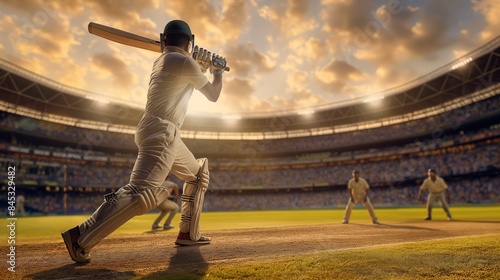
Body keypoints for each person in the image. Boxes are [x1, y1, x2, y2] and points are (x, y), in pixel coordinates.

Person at [61, 19, 226, 263]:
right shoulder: (183, 61)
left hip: (163, 131)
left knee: (198, 173)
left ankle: (188, 233)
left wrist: (200, 67)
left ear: (162, 40)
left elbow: (184, 78)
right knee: (140, 193)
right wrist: (218, 72)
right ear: (190, 42)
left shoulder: (164, 60)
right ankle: (80, 236)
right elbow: (213, 95)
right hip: (162, 132)